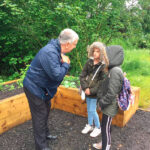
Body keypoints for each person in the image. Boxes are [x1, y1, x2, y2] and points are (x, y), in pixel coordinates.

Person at [23, 28, 79, 150]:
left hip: (43, 88)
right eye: (75, 44)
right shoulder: (50, 52)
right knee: (40, 116)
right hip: (34, 87)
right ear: (68, 43)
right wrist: (66, 64)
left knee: (46, 110)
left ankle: (45, 134)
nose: (74, 47)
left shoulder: (56, 49)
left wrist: (62, 61)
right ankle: (41, 146)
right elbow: (56, 75)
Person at [93, 45, 124, 150]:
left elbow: (112, 93)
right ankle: (104, 143)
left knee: (105, 127)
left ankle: (106, 146)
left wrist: (102, 103)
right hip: (107, 103)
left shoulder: (115, 71)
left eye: (105, 56)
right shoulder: (111, 69)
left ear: (112, 56)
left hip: (109, 104)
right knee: (105, 126)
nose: (103, 58)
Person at [80, 42, 109, 137]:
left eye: (98, 51)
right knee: (89, 109)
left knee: (92, 110)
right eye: (94, 51)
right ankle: (90, 125)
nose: (95, 53)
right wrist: (85, 88)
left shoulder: (103, 66)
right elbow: (82, 75)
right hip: (87, 90)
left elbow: (102, 83)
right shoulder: (89, 62)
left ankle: (98, 127)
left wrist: (91, 91)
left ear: (102, 53)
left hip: (95, 93)